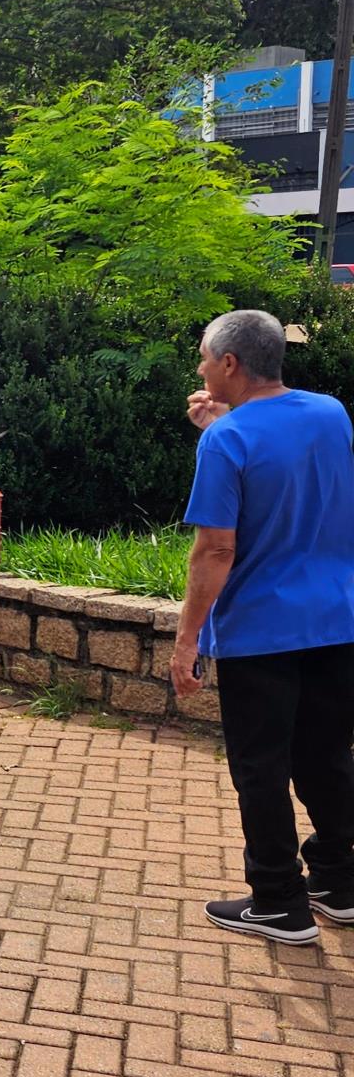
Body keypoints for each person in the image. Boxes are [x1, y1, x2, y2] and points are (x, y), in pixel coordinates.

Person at [174, 308, 354, 945]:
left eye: (203, 357)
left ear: (230, 365)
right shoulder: (331, 413)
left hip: (262, 631)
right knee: (327, 756)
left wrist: (187, 637)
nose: (198, 368)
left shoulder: (225, 442)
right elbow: (288, 463)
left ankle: (278, 899)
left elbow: (216, 550)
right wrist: (226, 423)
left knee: (261, 768)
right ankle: (338, 879)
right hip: (337, 621)